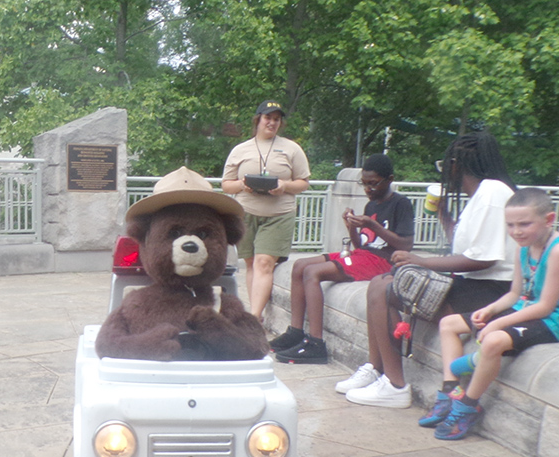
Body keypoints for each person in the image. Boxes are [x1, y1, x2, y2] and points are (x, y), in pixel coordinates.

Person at [338, 131, 518, 408]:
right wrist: (445, 217)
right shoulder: (481, 194)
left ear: (456, 164)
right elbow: (465, 251)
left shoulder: (492, 192)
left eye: (444, 166)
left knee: (385, 288)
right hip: (473, 285)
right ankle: (377, 370)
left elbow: (484, 260)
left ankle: (395, 386)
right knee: (383, 282)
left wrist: (420, 262)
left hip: (489, 295)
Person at [421, 188, 559, 439]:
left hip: (552, 320)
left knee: (493, 340)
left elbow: (545, 307)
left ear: (548, 220)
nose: (516, 231)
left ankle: (467, 406)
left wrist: (497, 325)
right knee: (449, 324)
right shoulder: (523, 247)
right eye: (510, 225)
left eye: (524, 224)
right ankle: (450, 393)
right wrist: (489, 310)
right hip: (524, 309)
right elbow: (514, 294)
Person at [269, 154, 415, 364]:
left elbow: (405, 245)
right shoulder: (371, 206)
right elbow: (361, 247)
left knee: (313, 272)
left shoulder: (401, 204)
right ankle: (296, 331)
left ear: (389, 179)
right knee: (300, 266)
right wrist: (351, 226)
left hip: (384, 262)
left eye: (373, 184)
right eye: (364, 184)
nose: (368, 189)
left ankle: (316, 343)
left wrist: (373, 226)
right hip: (365, 256)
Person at [222, 100, 311, 321]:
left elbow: (303, 183)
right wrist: (243, 184)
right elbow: (226, 185)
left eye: (276, 119)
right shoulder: (240, 149)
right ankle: (256, 312)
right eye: (268, 118)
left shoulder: (292, 148)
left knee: (264, 262)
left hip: (278, 215)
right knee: (251, 263)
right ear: (258, 120)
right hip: (246, 213)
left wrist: (284, 186)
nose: (272, 123)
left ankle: (254, 316)